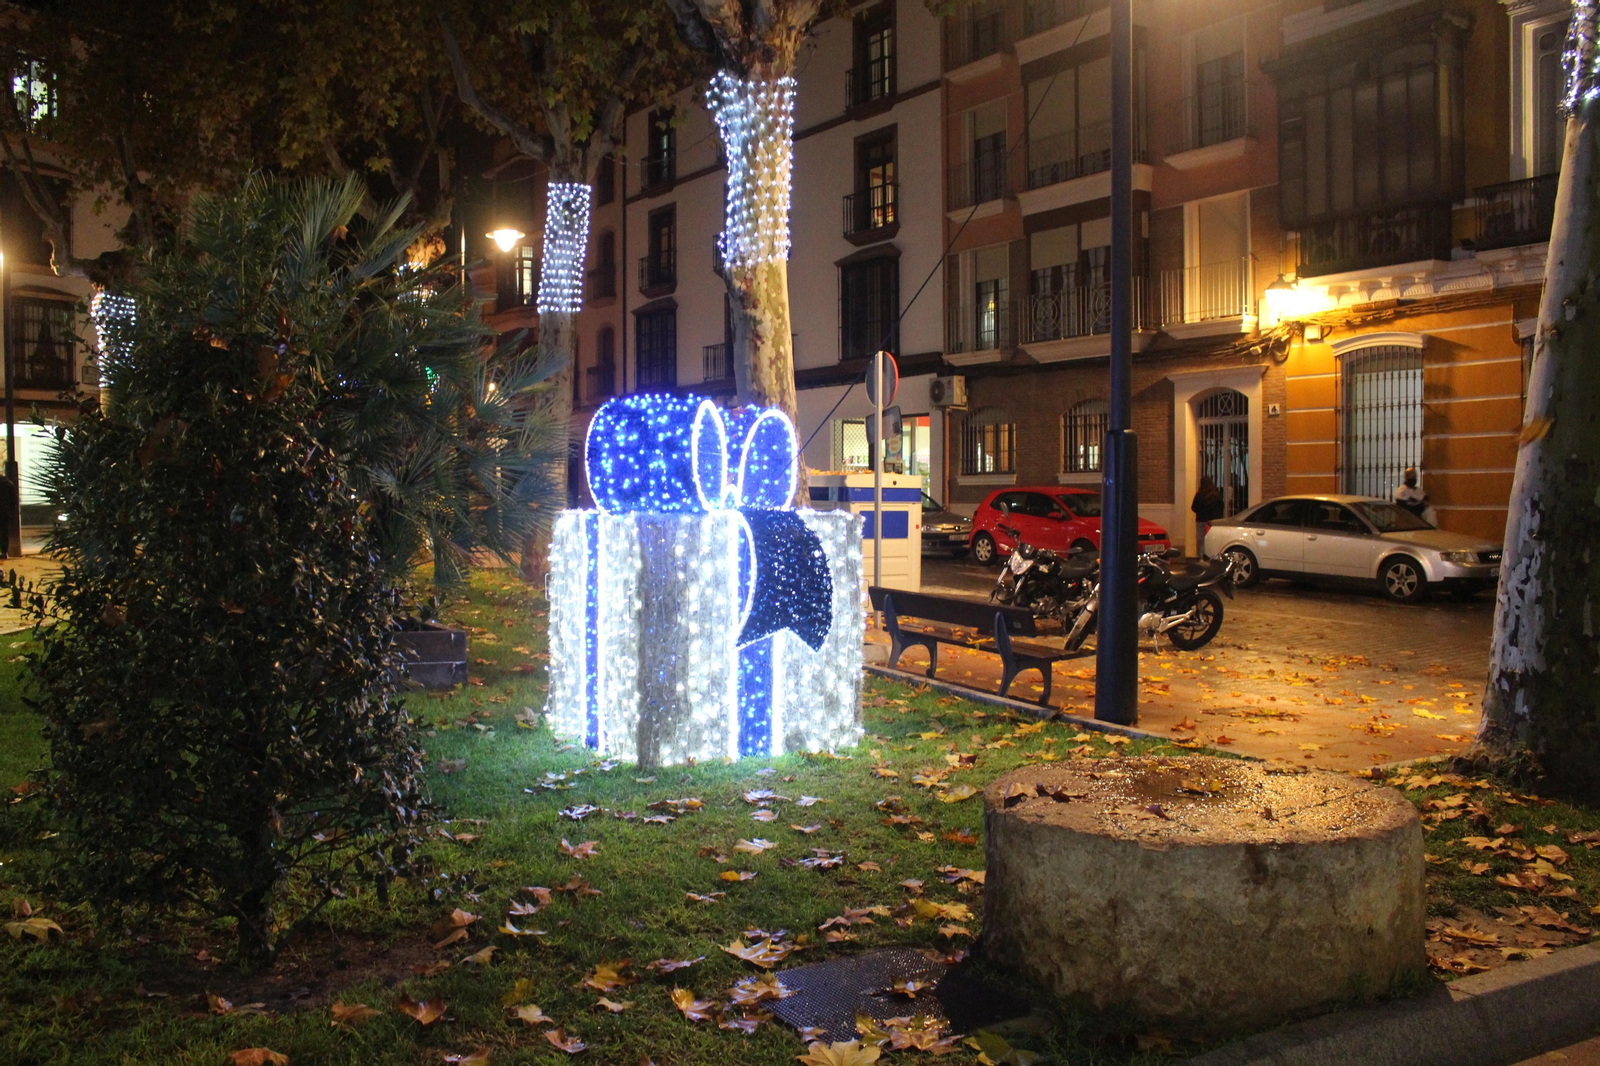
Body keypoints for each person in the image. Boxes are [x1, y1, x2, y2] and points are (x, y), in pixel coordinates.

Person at [1191, 475, 1225, 554]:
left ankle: (1201, 557)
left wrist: (1200, 511)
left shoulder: (1199, 495)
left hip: (1201, 520)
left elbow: (1193, 507)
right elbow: (1222, 506)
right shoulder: (1216, 494)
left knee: (1201, 540)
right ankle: (1213, 555)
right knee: (1213, 539)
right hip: (1213, 521)